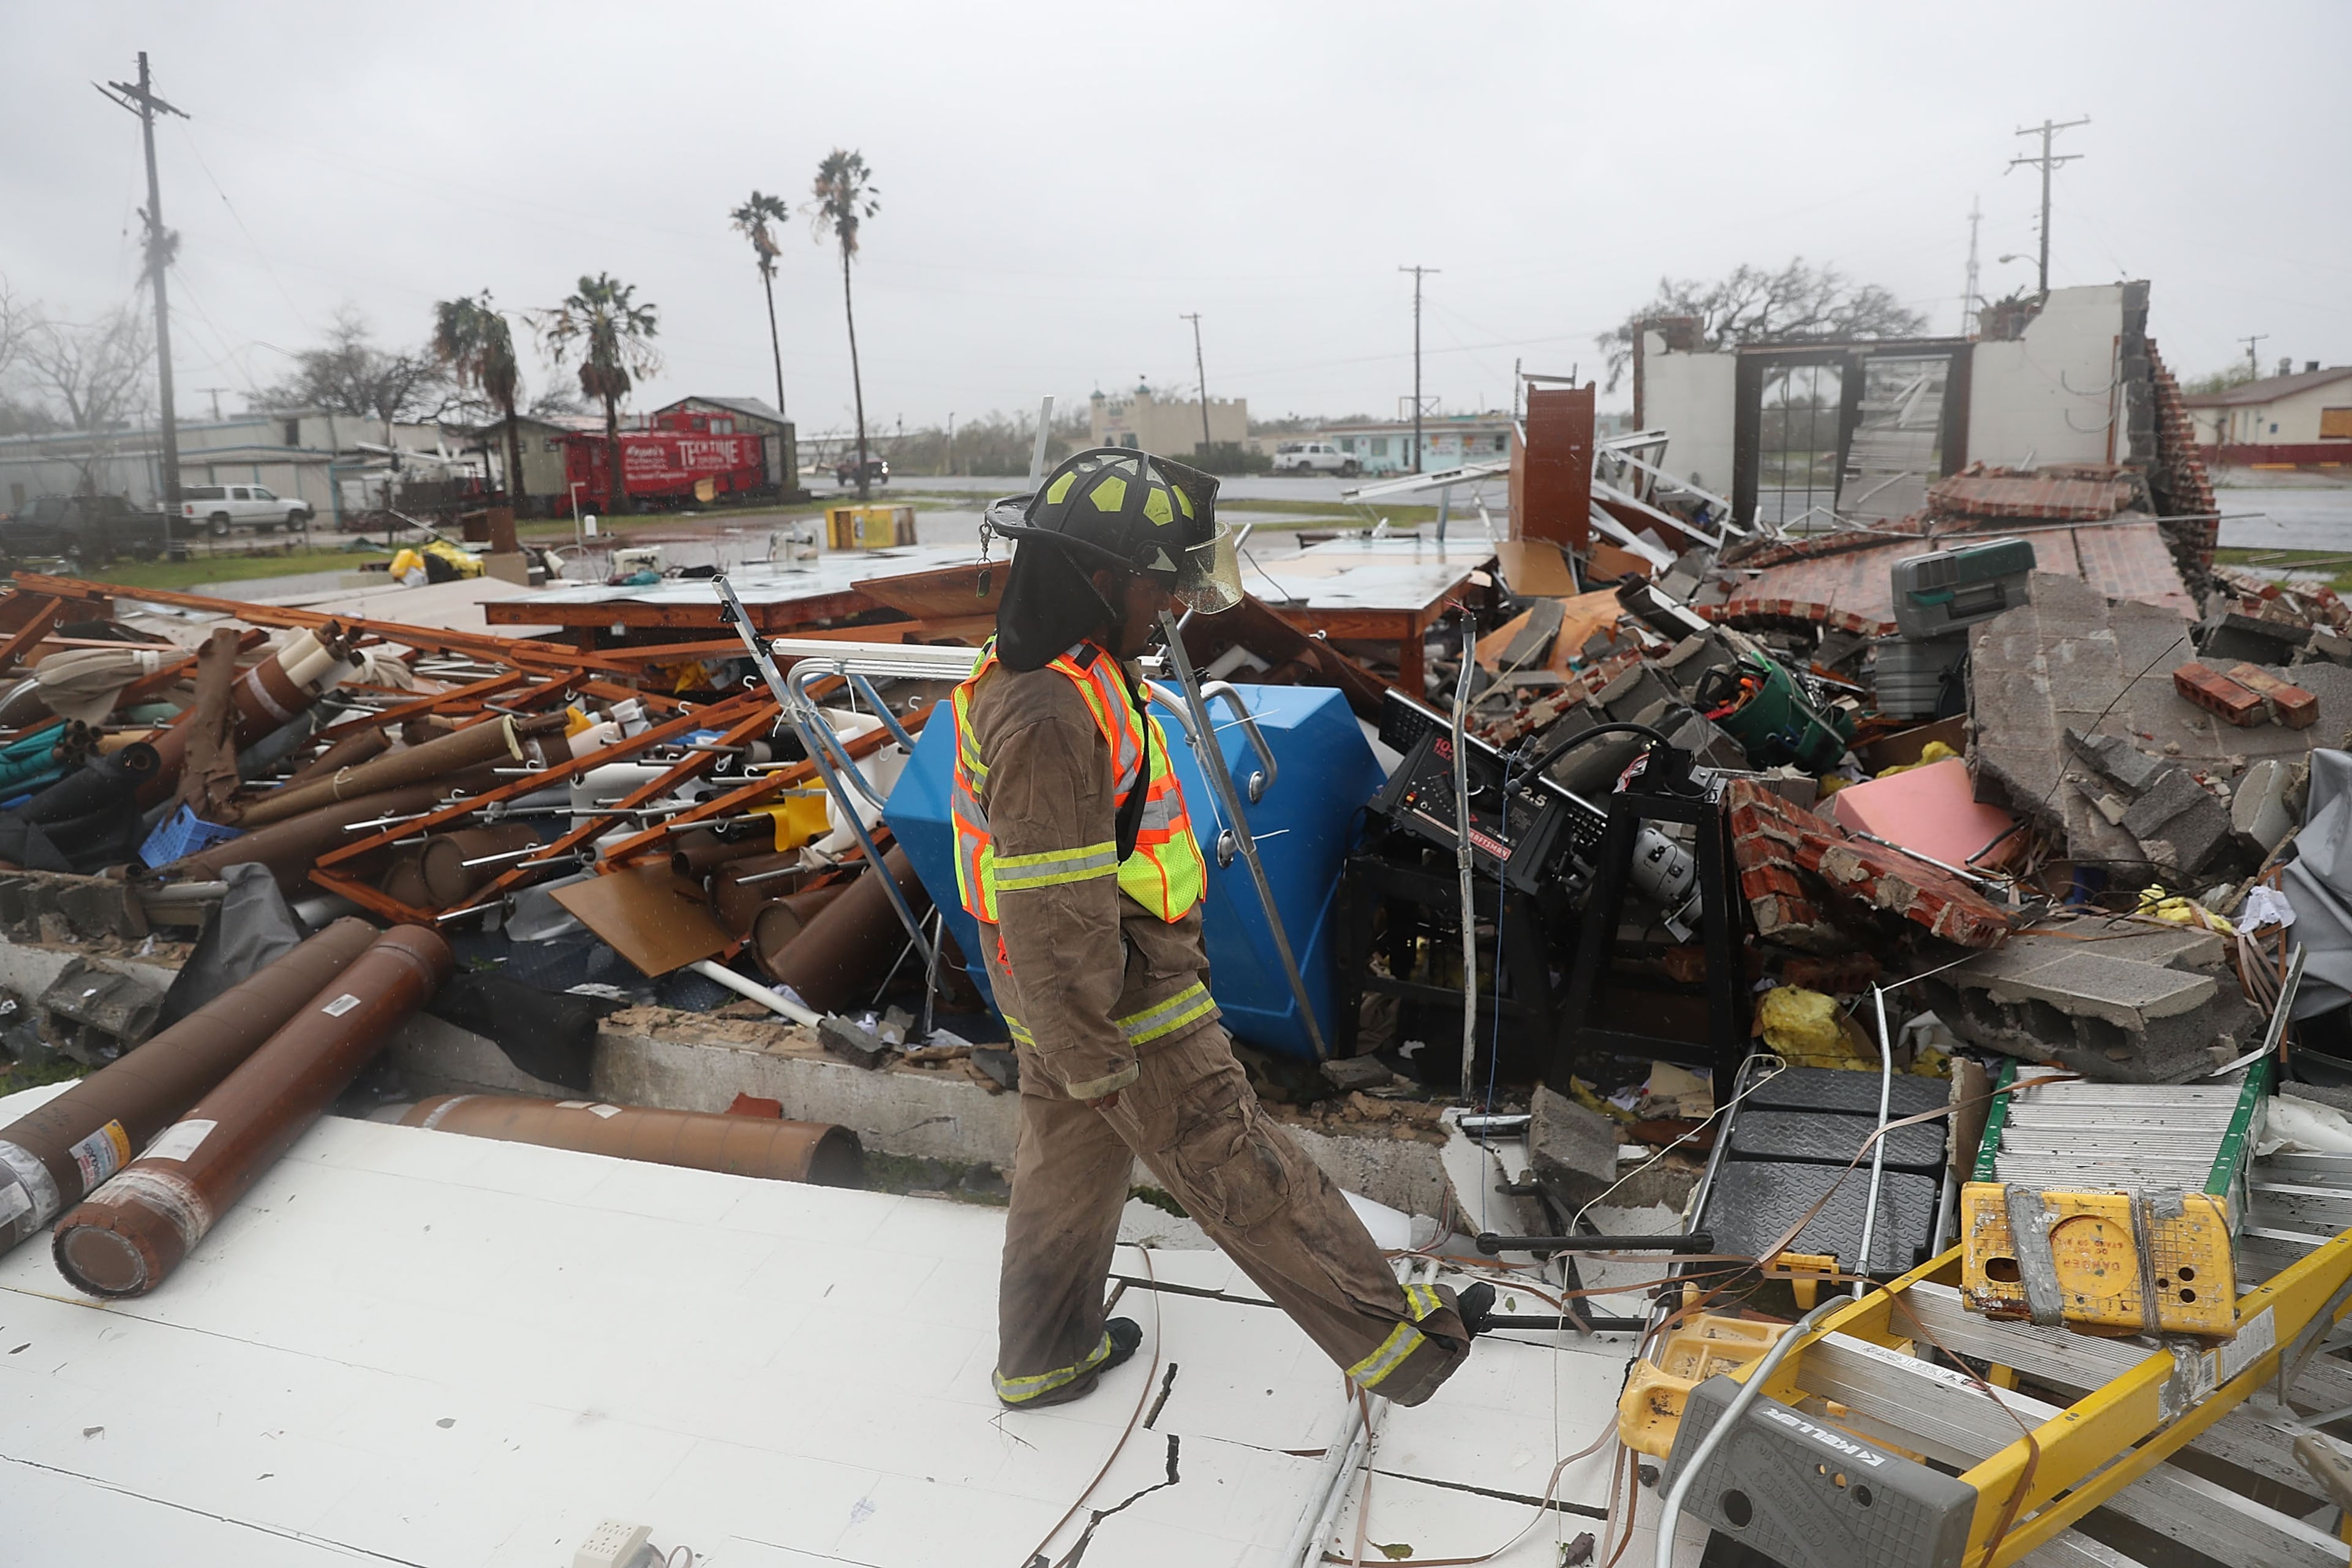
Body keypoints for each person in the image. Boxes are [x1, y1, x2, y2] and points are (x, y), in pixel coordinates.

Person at [953, 447, 1492, 1411]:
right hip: (1120, 1001)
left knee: (1064, 1178)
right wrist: (1094, 1049)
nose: (1169, 607)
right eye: (1159, 584)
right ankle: (1413, 1352)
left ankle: (1044, 1357)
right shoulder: (1049, 713)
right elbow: (1053, 900)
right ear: (1098, 576)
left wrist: (1067, 1044)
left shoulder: (1058, 671)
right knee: (1245, 1171)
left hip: (1055, 999)